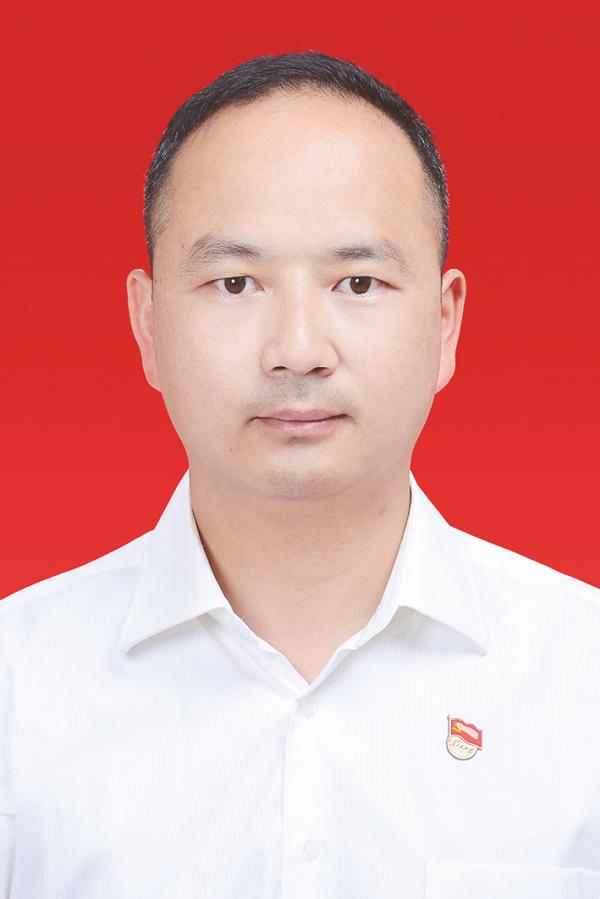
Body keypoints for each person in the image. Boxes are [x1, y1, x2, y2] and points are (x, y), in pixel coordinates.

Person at [1, 50, 599, 899]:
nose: (297, 350)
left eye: (358, 281)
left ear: (445, 322)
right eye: (234, 282)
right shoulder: (18, 689)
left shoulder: (582, 677)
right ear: (147, 323)